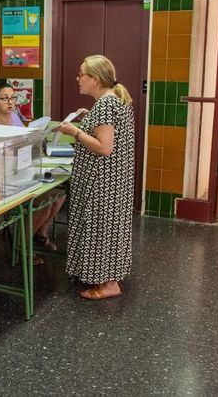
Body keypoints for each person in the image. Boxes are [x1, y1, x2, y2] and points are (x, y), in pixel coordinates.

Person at [55, 55, 134, 300]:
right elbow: (107, 131)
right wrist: (88, 117)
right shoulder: (111, 101)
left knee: (101, 228)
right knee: (108, 228)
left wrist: (74, 131)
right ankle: (104, 276)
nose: (78, 79)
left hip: (102, 182)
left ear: (96, 79)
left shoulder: (106, 105)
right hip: (112, 179)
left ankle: (109, 284)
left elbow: (104, 147)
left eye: (82, 75)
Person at [0, 82, 67, 264]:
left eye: (13, 98)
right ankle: (23, 246)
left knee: (59, 195)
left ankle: (41, 231)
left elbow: (26, 141)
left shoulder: (14, 118)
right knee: (42, 202)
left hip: (22, 169)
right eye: (4, 98)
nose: (10, 102)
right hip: (2, 176)